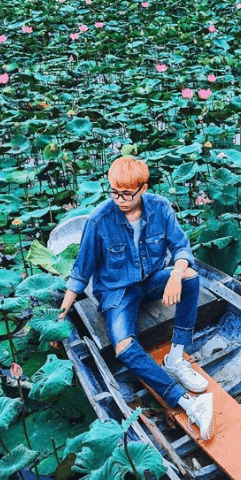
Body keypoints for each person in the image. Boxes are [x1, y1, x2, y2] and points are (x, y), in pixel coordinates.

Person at [54, 156, 214, 440]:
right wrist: (62, 313)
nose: (120, 199)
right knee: (125, 347)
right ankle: (188, 403)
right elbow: (81, 272)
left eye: (127, 194)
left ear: (143, 188)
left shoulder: (161, 207)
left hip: (151, 281)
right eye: (114, 192)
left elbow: (181, 247)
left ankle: (176, 358)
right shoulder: (99, 220)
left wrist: (175, 275)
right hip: (117, 292)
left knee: (190, 277)